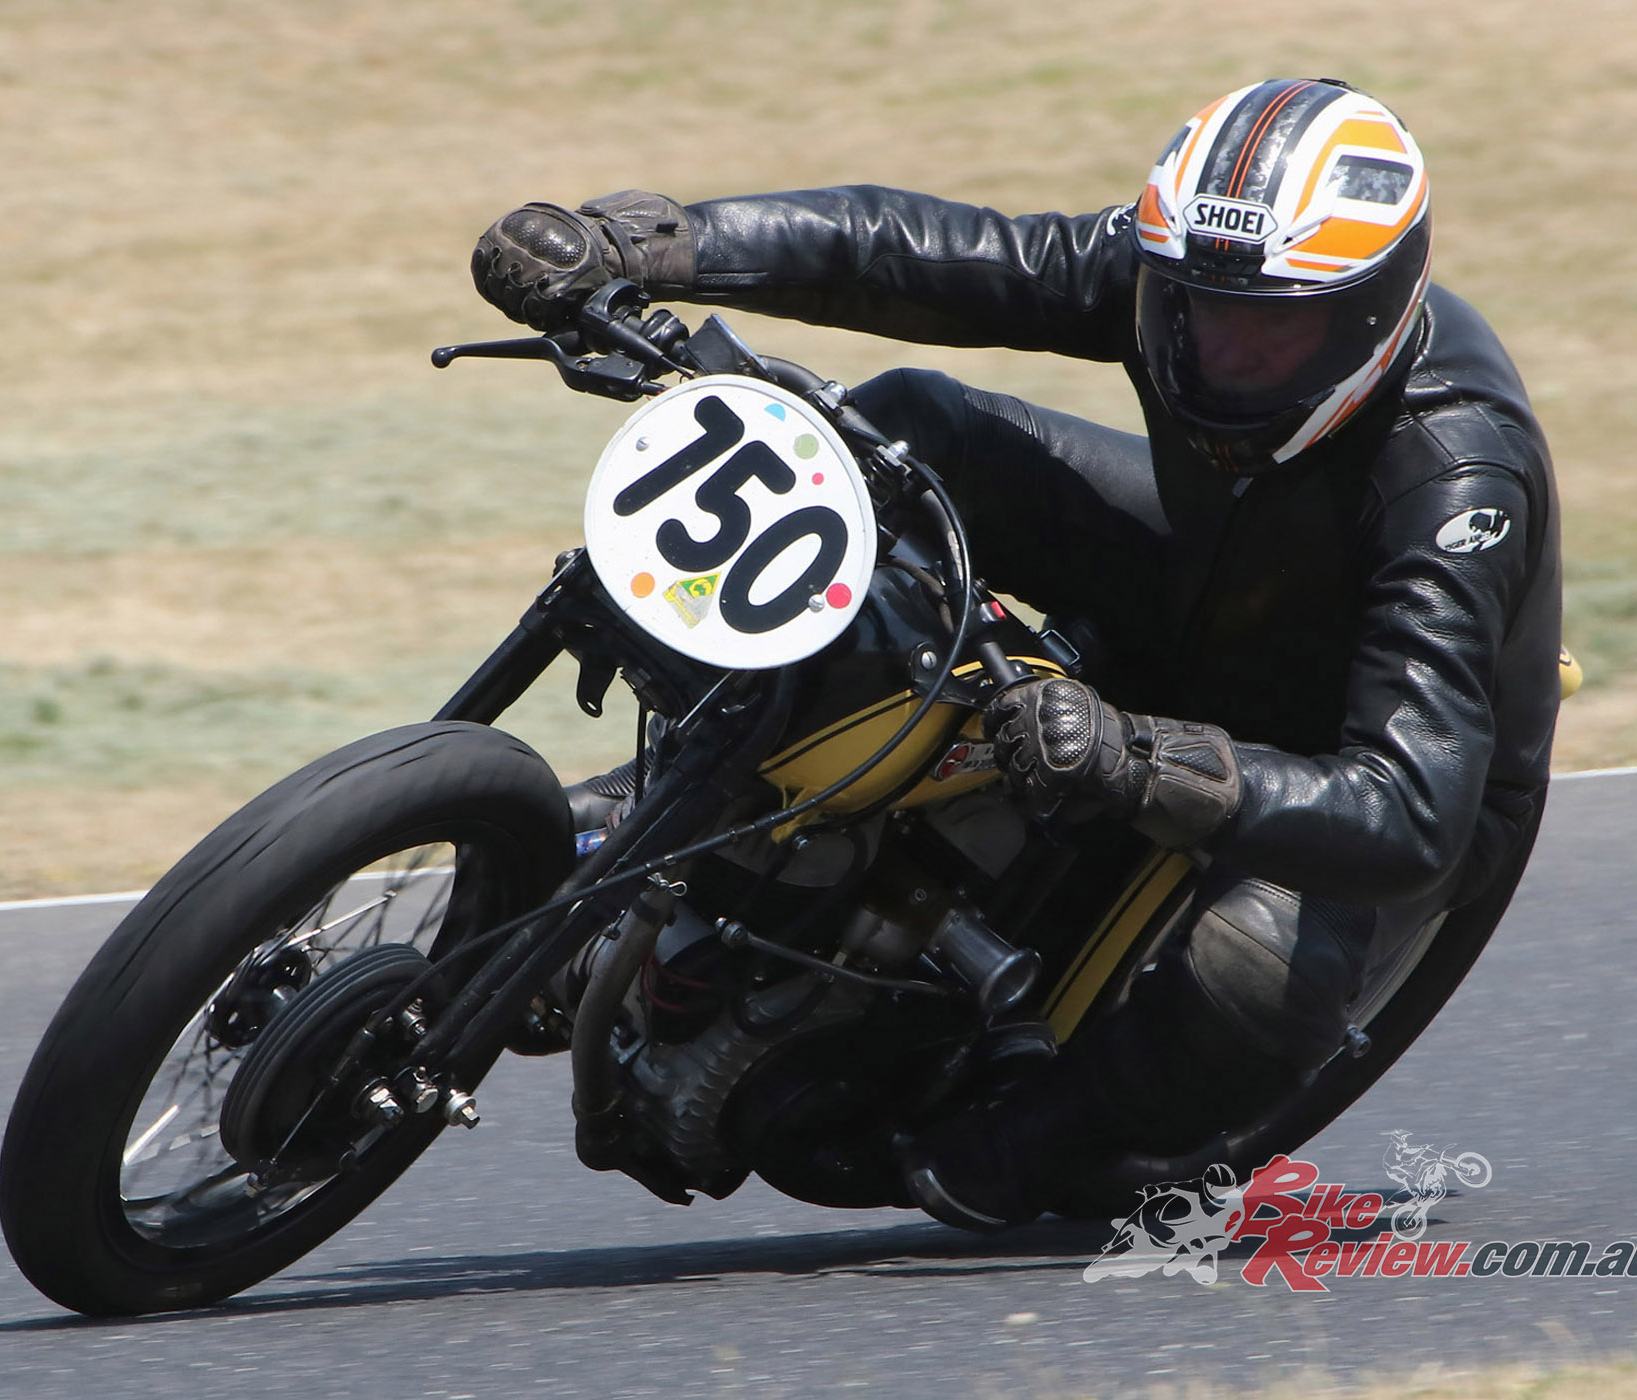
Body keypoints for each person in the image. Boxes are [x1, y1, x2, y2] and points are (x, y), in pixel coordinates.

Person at [469, 78, 1562, 1229]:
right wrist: (653, 245)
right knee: (908, 430)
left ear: (1366, 316)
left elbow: (1413, 807)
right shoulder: (1178, 281)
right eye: (1199, 306)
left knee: (1251, 960)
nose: (1226, 345)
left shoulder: (1457, 474)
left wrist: (1137, 758)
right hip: (1206, 589)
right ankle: (691, 780)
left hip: (1370, 762)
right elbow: (936, 253)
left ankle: (1047, 1133)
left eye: (1272, 322)